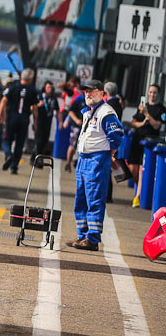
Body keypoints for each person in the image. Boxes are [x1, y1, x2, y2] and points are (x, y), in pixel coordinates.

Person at [67, 79, 124, 251]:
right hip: (84, 160)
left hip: (97, 160)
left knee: (94, 200)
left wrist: (111, 151)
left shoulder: (106, 112)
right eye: (86, 91)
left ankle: (92, 239)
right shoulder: (88, 111)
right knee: (81, 199)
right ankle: (82, 235)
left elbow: (117, 136)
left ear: (102, 93)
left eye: (92, 91)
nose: (88, 94)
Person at [128, 84, 166, 207]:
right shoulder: (142, 107)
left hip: (149, 143)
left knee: (141, 170)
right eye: (150, 92)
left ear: (158, 95)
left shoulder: (161, 109)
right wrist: (141, 123)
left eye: (154, 93)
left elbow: (157, 126)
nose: (152, 95)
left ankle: (138, 196)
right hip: (137, 139)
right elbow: (133, 121)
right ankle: (139, 190)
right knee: (132, 169)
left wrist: (147, 114)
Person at [0, 69, 39, 173]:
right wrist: (35, 122)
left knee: (6, 140)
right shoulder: (32, 90)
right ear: (30, 79)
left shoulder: (13, 87)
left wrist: (0, 115)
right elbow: (34, 108)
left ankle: (8, 155)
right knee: (19, 144)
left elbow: (3, 101)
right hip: (24, 119)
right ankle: (14, 167)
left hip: (12, 117)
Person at [103, 81, 124, 203]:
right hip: (114, 139)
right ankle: (107, 194)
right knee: (109, 167)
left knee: (107, 167)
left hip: (110, 140)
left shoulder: (111, 105)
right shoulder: (118, 104)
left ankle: (107, 195)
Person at [34, 81, 57, 156]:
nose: (49, 89)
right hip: (39, 121)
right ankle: (36, 158)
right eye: (47, 87)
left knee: (45, 140)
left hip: (48, 122)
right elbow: (32, 107)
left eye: (50, 87)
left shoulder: (53, 98)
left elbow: (58, 110)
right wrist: (38, 105)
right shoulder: (39, 96)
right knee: (39, 141)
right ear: (44, 88)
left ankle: (38, 156)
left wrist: (60, 122)